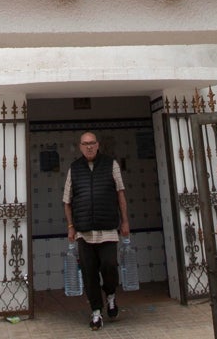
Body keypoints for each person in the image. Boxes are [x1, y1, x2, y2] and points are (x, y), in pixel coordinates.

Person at [63, 131, 129, 330]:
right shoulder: (74, 168)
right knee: (89, 273)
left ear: (98, 145)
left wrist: (125, 222)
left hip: (108, 229)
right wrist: (70, 227)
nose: (89, 147)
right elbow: (67, 200)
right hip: (84, 232)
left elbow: (120, 194)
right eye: (85, 144)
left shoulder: (111, 164)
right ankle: (96, 312)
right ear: (80, 146)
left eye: (92, 143)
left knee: (109, 266)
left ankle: (110, 294)